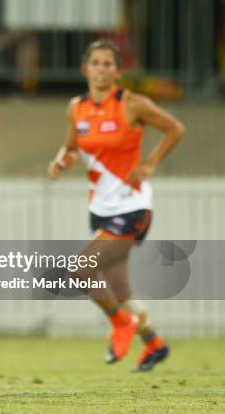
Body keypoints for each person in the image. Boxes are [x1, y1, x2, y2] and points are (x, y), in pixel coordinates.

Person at [48, 40, 184, 371]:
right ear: (85, 69)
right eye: (95, 62)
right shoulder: (76, 107)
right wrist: (61, 161)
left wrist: (150, 163)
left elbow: (174, 129)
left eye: (108, 63)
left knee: (81, 269)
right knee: (120, 290)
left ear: (117, 71)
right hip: (101, 209)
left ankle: (122, 324)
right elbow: (70, 148)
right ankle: (153, 342)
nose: (101, 68)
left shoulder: (132, 104)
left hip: (133, 206)